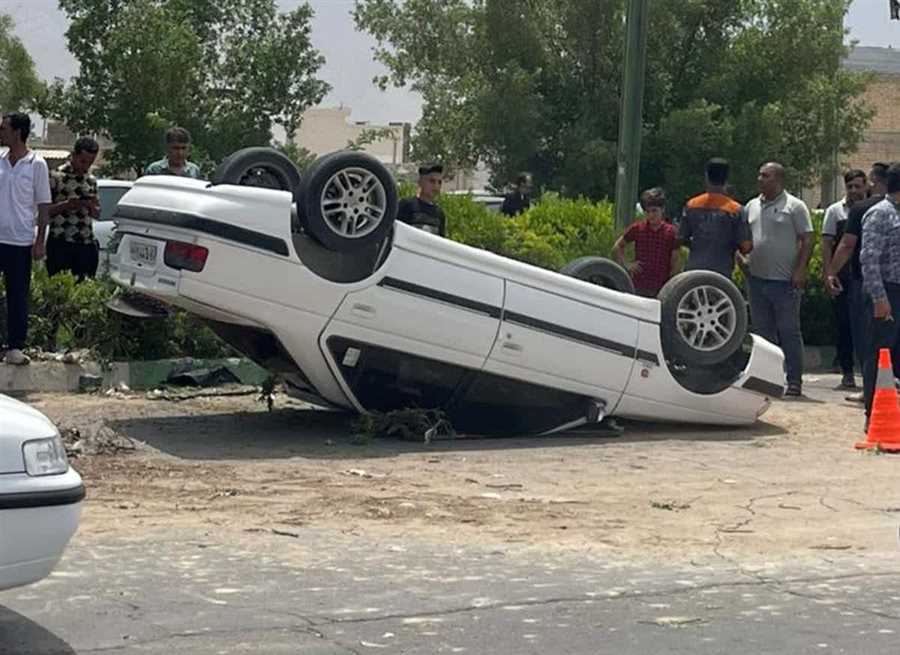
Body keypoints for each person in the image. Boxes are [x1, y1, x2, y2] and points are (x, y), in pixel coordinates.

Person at [744, 162, 814, 397]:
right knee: (763, 334)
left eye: (766, 176)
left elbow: (807, 238)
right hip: (756, 280)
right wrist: (741, 260)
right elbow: (744, 237)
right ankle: (768, 378)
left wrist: (801, 269)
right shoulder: (751, 206)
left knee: (788, 331)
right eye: (759, 175)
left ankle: (794, 380)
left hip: (784, 282)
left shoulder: (794, 206)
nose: (760, 179)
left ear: (779, 180)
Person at [825, 163, 891, 401]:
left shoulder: (862, 209)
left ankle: (870, 389)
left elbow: (847, 245)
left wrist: (831, 272)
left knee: (867, 337)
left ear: (874, 181)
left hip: (866, 281)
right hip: (893, 282)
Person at [0, 112, 52, 366]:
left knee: (18, 295)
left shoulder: (36, 164)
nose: (1, 133)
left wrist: (39, 240)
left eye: (4, 129)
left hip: (20, 241)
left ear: (18, 132)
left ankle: (15, 347)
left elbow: (43, 205)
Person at [859, 162, 900, 431]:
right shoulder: (880, 214)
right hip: (886, 291)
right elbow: (869, 259)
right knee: (879, 354)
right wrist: (879, 298)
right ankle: (873, 414)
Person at [821, 169, 868, 389]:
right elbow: (827, 244)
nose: (854, 190)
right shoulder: (835, 211)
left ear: (866, 185)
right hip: (843, 277)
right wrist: (828, 273)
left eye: (858, 186)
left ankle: (870, 372)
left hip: (867, 275)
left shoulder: (873, 209)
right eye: (850, 186)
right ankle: (847, 371)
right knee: (844, 324)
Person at [678, 158, 752, 280]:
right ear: (726, 179)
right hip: (722, 274)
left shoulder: (692, 205)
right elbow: (746, 246)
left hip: (694, 271)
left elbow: (681, 238)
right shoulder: (736, 210)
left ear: (706, 177)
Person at [47, 137, 102, 281]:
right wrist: (67, 205)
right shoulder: (56, 177)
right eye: (83, 161)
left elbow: (97, 214)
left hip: (85, 242)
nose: (85, 166)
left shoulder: (91, 180)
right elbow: (45, 211)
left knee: (84, 285)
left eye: (90, 162)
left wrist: (90, 205)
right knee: (58, 285)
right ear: (74, 155)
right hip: (60, 241)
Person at [613, 187, 680, 298]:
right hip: (639, 283)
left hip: (661, 286)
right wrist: (627, 265)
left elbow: (675, 261)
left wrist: (671, 282)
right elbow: (618, 246)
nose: (651, 215)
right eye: (647, 211)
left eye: (654, 211)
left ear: (662, 209)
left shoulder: (671, 232)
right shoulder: (638, 228)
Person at [397, 162, 447, 236]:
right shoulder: (406, 205)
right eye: (432, 181)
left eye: (439, 182)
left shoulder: (439, 214)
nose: (436, 186)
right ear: (420, 182)